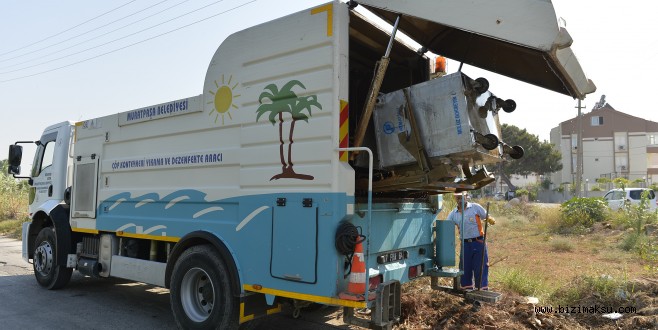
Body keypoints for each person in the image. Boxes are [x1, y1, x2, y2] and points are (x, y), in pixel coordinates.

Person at [447, 192, 495, 291]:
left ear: (466, 197)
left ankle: (481, 292)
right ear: (455, 199)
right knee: (465, 269)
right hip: (465, 245)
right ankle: (467, 293)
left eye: (462, 198)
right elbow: (446, 227)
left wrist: (489, 219)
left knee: (480, 268)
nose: (460, 200)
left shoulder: (475, 207)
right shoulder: (453, 214)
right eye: (458, 198)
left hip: (478, 242)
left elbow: (486, 216)